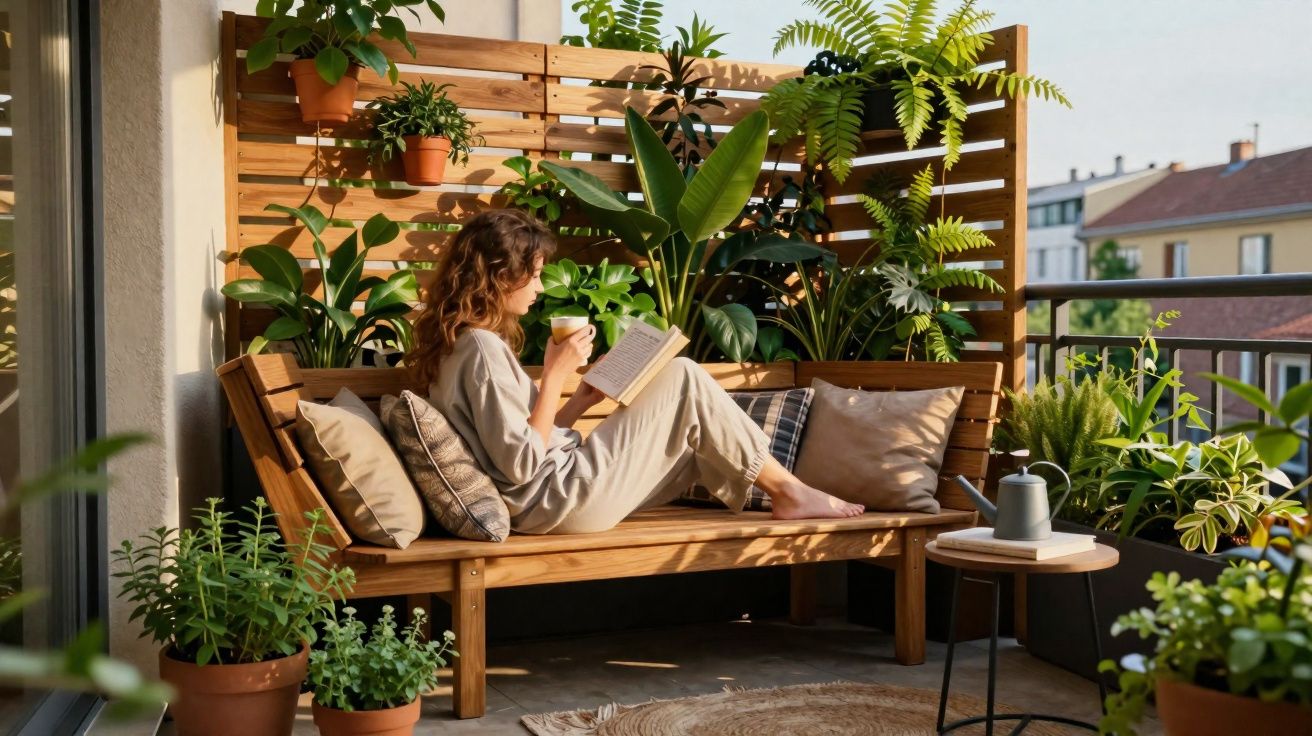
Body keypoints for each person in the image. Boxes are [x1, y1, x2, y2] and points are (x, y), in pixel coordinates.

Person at [410, 209, 863, 535]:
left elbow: (521, 445)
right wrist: (554, 375)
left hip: (555, 496)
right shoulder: (481, 349)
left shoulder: (460, 346)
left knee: (693, 436)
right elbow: (522, 464)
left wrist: (579, 401)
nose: (540, 287)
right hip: (559, 500)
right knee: (683, 376)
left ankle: (786, 493)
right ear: (499, 274)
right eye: (534, 274)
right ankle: (790, 493)